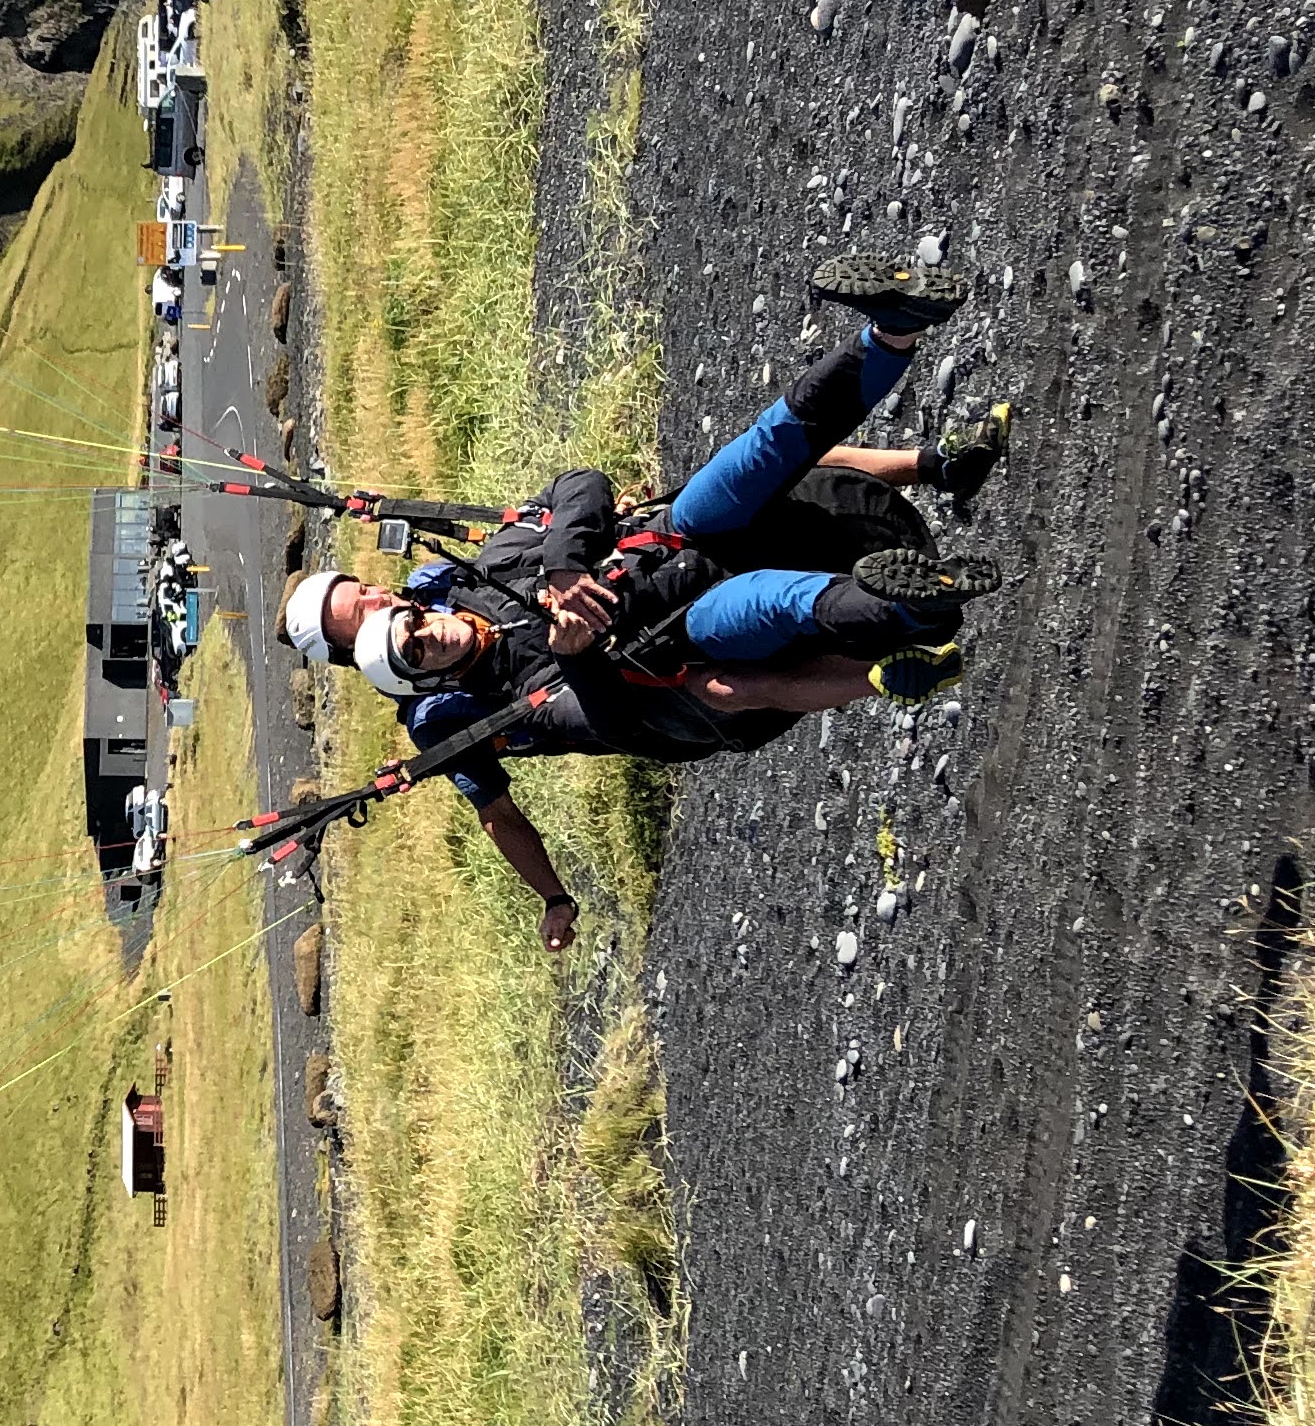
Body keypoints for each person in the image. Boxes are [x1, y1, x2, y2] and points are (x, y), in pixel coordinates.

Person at [277, 255, 1012, 946]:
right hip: (675, 650)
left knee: (755, 454)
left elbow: (577, 488)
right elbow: (570, 755)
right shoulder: (452, 717)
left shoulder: (462, 579)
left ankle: (894, 331)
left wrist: (565, 565)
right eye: (382, 629)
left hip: (674, 546)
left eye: (378, 601)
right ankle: (908, 620)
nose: (391, 610)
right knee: (753, 628)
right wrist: (576, 660)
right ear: (386, 668)